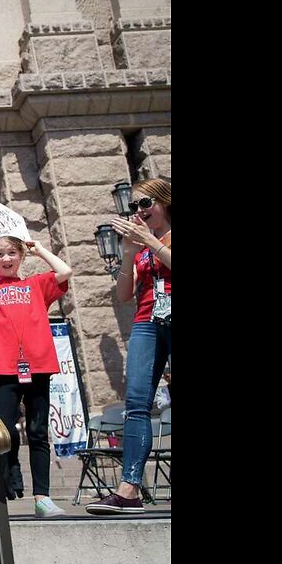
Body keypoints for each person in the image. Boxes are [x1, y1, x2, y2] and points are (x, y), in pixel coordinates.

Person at [0, 234, 72, 517]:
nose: (6, 259)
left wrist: (40, 250)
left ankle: (42, 498)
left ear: (21, 255)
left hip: (39, 366)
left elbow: (64, 272)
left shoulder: (36, 284)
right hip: (4, 369)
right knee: (3, 432)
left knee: (37, 432)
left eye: (12, 253)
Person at [87, 177, 172, 515]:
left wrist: (149, 241)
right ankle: (129, 489)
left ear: (165, 203)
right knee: (136, 403)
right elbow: (124, 295)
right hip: (147, 322)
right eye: (135, 206)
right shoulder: (139, 246)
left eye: (146, 203)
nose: (139, 210)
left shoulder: (160, 238)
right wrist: (127, 254)